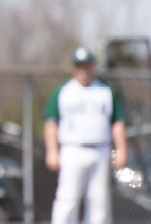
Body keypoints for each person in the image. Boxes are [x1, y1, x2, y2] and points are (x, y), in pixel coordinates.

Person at [43, 46, 127, 224]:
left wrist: (121, 149)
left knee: (98, 201)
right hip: (72, 149)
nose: (83, 69)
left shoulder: (105, 90)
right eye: (79, 65)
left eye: (86, 65)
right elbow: (51, 122)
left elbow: (117, 122)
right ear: (74, 67)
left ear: (93, 66)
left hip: (100, 149)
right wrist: (52, 151)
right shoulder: (64, 90)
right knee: (67, 198)